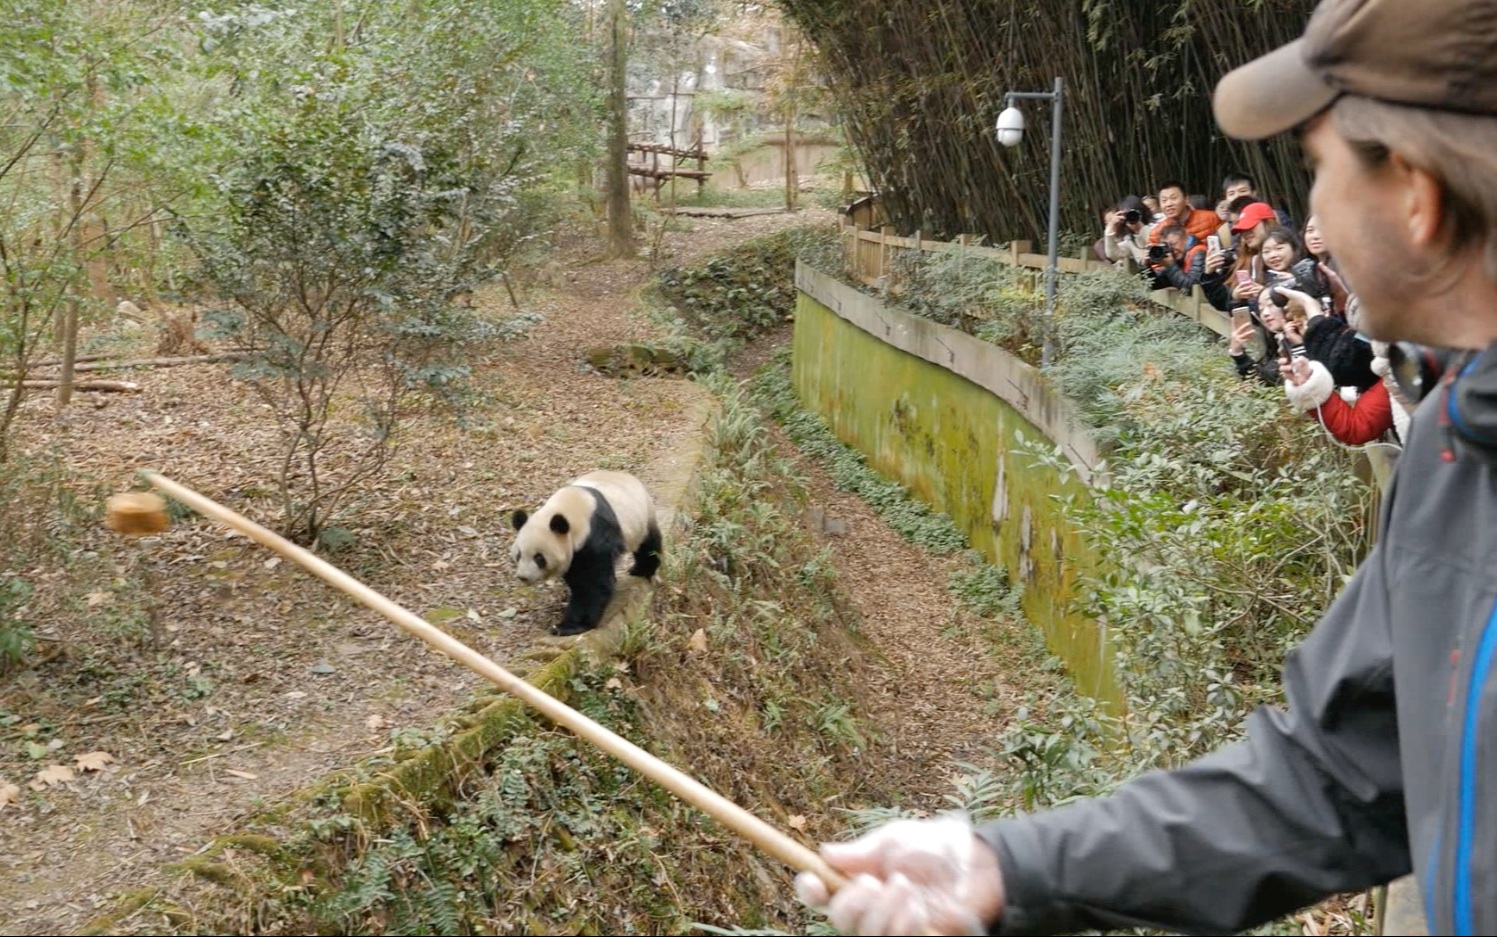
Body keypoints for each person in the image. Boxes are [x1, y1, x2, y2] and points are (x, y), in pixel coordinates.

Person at [793, 1, 1497, 935]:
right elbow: (1334, 775)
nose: (1309, 218)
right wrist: (1009, 867)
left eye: (1319, 170)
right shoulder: (1457, 438)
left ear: (1414, 192)